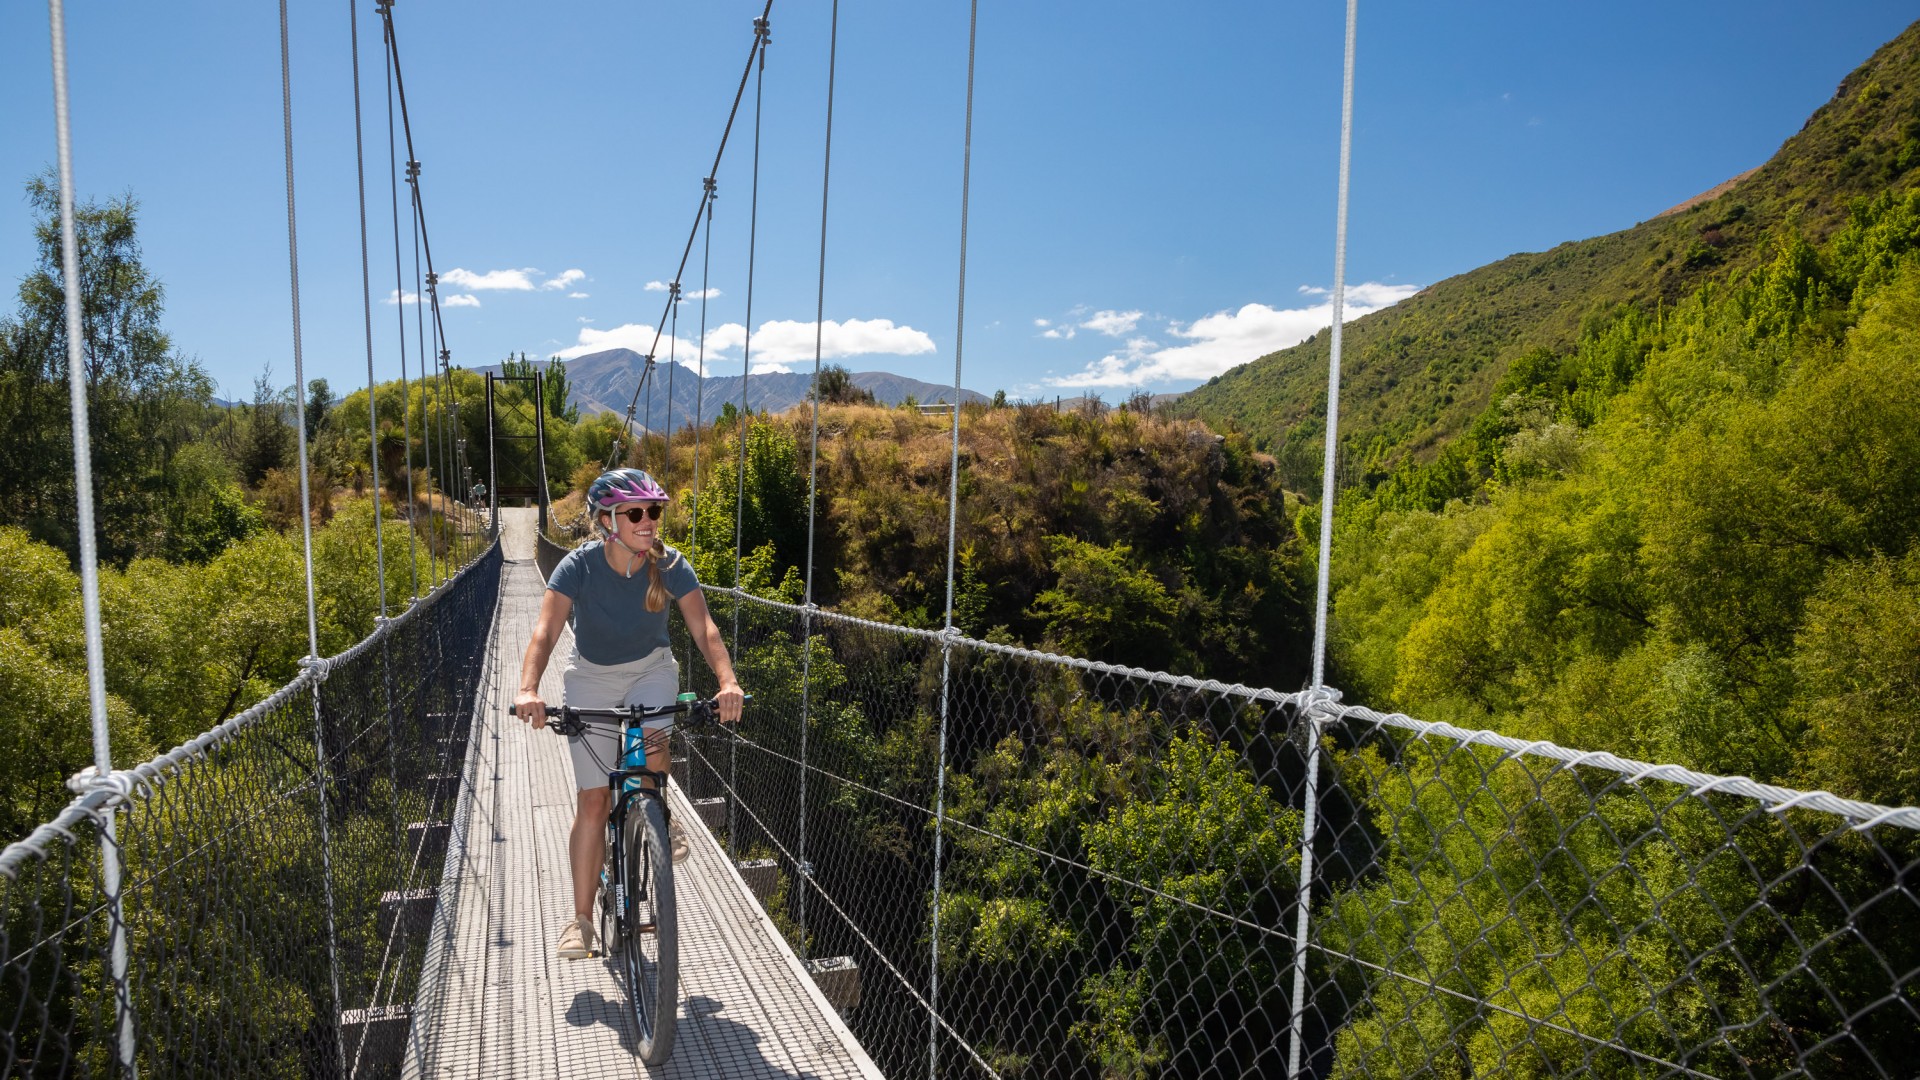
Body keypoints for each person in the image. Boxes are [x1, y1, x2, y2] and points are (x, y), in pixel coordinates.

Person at [513, 467, 745, 960]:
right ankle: (579, 921)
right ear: (606, 520)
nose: (648, 521)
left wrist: (727, 682)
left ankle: (658, 815)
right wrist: (529, 688)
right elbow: (545, 632)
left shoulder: (670, 564)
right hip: (591, 676)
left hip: (650, 670)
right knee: (594, 801)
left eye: (654, 511)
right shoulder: (577, 566)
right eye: (636, 512)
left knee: (650, 755)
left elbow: (704, 629)